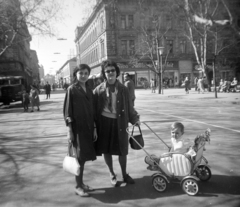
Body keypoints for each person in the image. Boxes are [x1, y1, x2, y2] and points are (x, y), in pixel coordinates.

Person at [93, 60, 140, 186]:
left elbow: (129, 106)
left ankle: (124, 174)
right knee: (107, 150)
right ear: (104, 73)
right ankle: (112, 173)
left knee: (122, 150)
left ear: (117, 72)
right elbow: (92, 109)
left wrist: (135, 119)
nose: (110, 73)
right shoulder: (98, 90)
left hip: (120, 122)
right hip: (104, 123)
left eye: (112, 70)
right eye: (107, 71)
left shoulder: (123, 89)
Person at [63, 64, 96, 197]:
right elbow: (67, 111)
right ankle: (78, 186)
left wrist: (94, 128)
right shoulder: (72, 89)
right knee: (79, 158)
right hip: (77, 129)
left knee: (82, 158)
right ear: (76, 74)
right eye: (80, 73)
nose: (83, 75)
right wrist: (69, 130)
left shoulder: (89, 89)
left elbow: (92, 111)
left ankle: (81, 184)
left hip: (88, 128)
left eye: (86, 73)